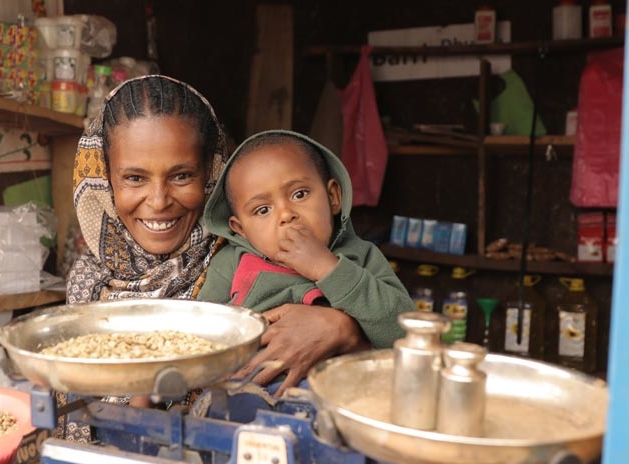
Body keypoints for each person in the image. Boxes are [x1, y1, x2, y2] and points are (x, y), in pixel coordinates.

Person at [66, 76, 368, 394]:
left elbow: (386, 357)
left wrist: (343, 328)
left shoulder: (255, 252)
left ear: (211, 173)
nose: (158, 200)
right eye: (135, 178)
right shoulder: (88, 281)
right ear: (105, 180)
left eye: (181, 175)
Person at [199, 130, 414, 349]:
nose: (285, 214)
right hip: (246, 380)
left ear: (333, 197)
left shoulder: (362, 256)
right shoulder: (231, 262)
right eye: (263, 210)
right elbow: (200, 334)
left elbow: (405, 335)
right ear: (241, 229)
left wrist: (328, 268)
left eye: (299, 194)